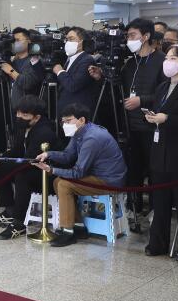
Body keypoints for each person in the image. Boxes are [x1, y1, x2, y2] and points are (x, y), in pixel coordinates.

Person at [89, 18, 165, 214]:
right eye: (127, 36)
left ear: (146, 36)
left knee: (154, 171)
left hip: (152, 126)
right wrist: (102, 77)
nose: (128, 40)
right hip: (128, 125)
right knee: (133, 169)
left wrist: (142, 100)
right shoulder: (130, 63)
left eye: (132, 36)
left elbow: (166, 94)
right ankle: (134, 206)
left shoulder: (162, 61)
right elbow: (117, 88)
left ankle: (157, 209)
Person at [33, 103, 127, 247]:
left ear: (82, 120)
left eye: (68, 121)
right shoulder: (80, 132)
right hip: (96, 176)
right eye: (63, 121)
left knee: (64, 184)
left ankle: (68, 232)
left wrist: (51, 170)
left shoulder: (92, 138)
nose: (65, 125)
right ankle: (78, 227)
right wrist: (48, 154)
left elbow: (78, 172)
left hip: (109, 181)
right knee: (58, 182)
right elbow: (67, 156)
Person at [143, 44, 178, 262]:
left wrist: (168, 119)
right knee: (159, 201)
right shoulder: (163, 87)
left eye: (174, 59)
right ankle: (157, 243)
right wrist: (153, 117)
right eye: (168, 57)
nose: (168, 62)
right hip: (159, 150)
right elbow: (159, 112)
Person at [0, 95, 58, 239]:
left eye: (24, 114)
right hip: (30, 166)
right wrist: (0, 158)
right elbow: (16, 150)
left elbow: (30, 160)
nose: (19, 117)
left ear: (36, 117)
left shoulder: (44, 132)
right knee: (3, 168)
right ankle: (9, 211)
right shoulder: (23, 126)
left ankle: (18, 224)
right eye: (18, 113)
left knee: (22, 177)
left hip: (48, 173)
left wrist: (1, 161)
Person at [52, 27, 97, 118]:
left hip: (77, 114)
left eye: (71, 39)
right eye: (66, 39)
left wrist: (60, 71)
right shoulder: (69, 59)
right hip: (66, 111)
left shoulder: (87, 60)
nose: (67, 42)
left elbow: (73, 85)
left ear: (82, 42)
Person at [0, 27, 44, 111]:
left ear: (28, 41)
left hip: (28, 110)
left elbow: (28, 83)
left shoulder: (34, 61)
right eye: (14, 41)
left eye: (18, 40)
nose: (15, 43)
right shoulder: (12, 61)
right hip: (12, 108)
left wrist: (11, 71)